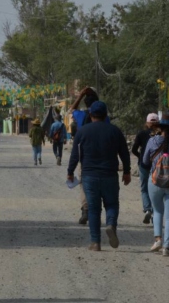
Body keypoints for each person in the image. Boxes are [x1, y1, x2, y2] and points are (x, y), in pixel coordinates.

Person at [67, 101, 131, 251]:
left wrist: (70, 172)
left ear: (90, 115)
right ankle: (110, 224)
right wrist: (127, 172)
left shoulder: (82, 131)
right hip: (110, 174)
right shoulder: (115, 131)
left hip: (89, 176)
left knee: (94, 209)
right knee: (112, 204)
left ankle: (95, 242)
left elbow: (75, 155)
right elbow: (124, 153)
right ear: (106, 115)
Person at [143, 111, 169, 257]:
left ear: (161, 127)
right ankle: (167, 248)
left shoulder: (152, 141)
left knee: (157, 211)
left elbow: (145, 161)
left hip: (155, 182)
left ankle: (158, 239)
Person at [68, 86, 108, 225]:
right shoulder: (105, 118)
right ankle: (100, 211)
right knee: (103, 184)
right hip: (104, 156)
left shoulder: (81, 116)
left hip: (85, 156)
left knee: (85, 185)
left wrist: (80, 95)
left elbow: (71, 109)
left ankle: (85, 210)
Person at [131, 113, 160, 224]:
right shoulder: (161, 134)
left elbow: (134, 149)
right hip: (157, 165)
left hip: (143, 164)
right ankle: (155, 213)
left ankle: (148, 209)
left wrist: (141, 157)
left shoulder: (141, 134)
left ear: (147, 123)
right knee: (156, 188)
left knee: (144, 188)